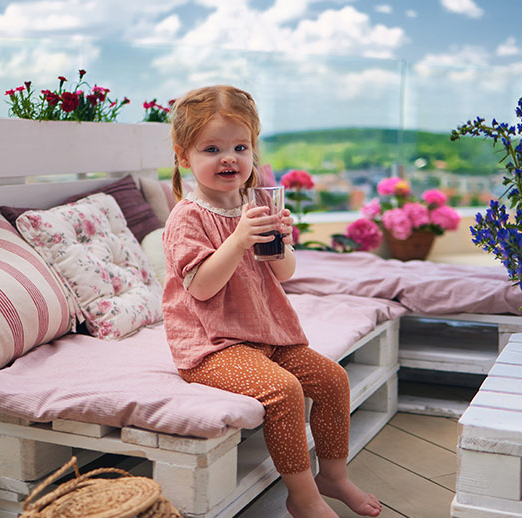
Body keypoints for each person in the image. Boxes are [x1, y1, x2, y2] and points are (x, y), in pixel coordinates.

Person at [162, 84, 382, 518]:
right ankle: (303, 497)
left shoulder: (252, 205)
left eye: (240, 147)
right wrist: (240, 240)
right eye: (212, 148)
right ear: (184, 156)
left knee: (333, 380)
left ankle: (332, 476)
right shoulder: (187, 217)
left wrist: (280, 241)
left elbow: (285, 273)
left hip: (266, 334)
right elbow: (202, 287)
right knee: (284, 391)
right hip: (212, 347)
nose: (229, 158)